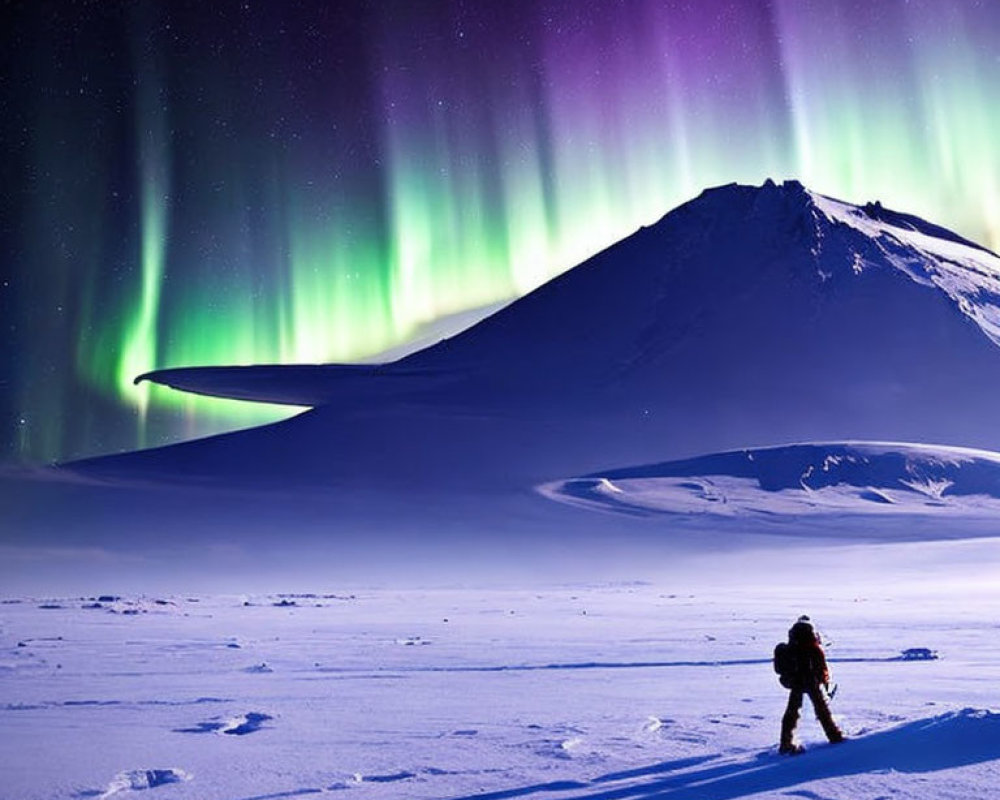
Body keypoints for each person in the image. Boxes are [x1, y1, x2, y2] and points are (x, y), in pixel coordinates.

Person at [777, 615, 844, 754]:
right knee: (822, 711)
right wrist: (825, 682)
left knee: (792, 712)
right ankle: (834, 736)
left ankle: (785, 743)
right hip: (812, 681)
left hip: (796, 681)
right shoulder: (813, 646)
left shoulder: (791, 644)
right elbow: (821, 667)